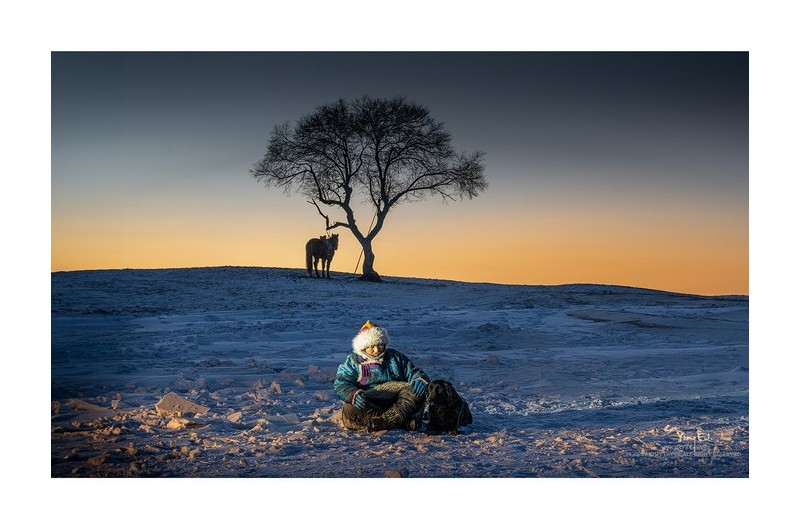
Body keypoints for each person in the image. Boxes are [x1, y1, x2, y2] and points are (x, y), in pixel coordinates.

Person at [334, 320, 429, 432]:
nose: (377, 350)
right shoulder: (353, 361)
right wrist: (352, 394)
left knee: (415, 393)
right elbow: (341, 383)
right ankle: (399, 421)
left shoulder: (395, 357)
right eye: (371, 346)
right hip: (369, 401)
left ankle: (383, 422)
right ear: (363, 347)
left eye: (380, 345)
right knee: (350, 408)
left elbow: (413, 371)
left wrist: (420, 379)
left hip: (397, 401)